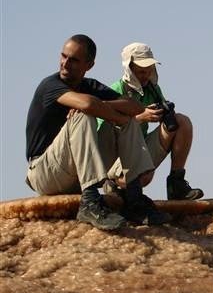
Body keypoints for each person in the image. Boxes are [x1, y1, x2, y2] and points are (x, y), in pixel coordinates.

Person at [25, 34, 170, 230]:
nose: (65, 64)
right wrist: (105, 110)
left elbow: (134, 106)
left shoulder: (90, 85)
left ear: (89, 65)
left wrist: (109, 111)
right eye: (63, 56)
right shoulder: (50, 85)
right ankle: (91, 201)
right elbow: (86, 103)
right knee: (83, 115)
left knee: (128, 122)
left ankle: (134, 199)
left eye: (74, 60)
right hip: (45, 173)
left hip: (75, 174)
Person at [103, 42, 203, 201]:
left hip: (138, 148)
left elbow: (169, 121)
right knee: (145, 177)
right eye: (141, 71)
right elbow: (103, 133)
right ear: (129, 68)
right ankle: (114, 184)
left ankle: (176, 184)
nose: (146, 75)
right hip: (115, 157)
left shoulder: (152, 89)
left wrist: (163, 113)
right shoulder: (115, 91)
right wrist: (139, 118)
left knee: (181, 122)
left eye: (149, 70)